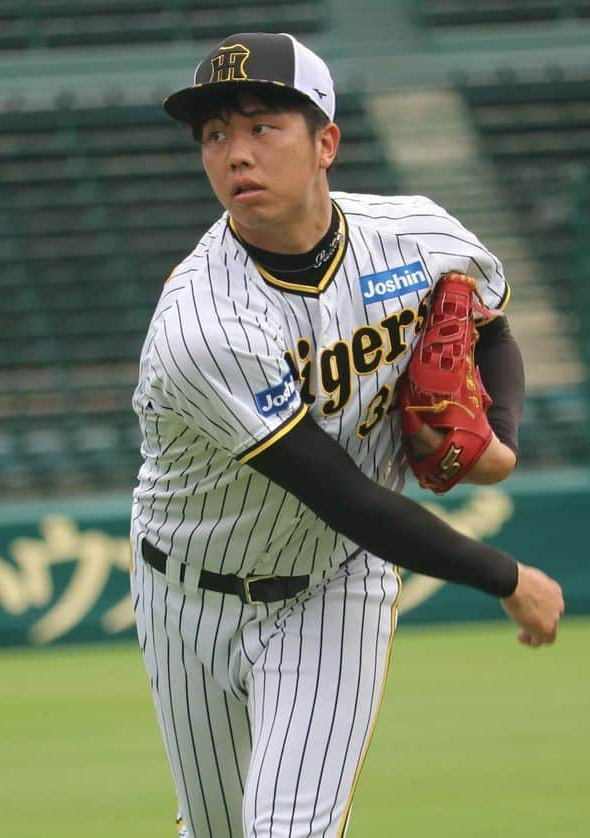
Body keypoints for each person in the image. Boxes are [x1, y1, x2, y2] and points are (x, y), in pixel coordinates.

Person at [129, 32, 564, 838]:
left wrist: (498, 437)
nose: (235, 153)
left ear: (326, 142)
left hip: (334, 587)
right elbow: (342, 495)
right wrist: (506, 576)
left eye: (262, 125)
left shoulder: (417, 234)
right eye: (215, 135)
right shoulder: (204, 322)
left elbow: (490, 327)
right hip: (184, 591)